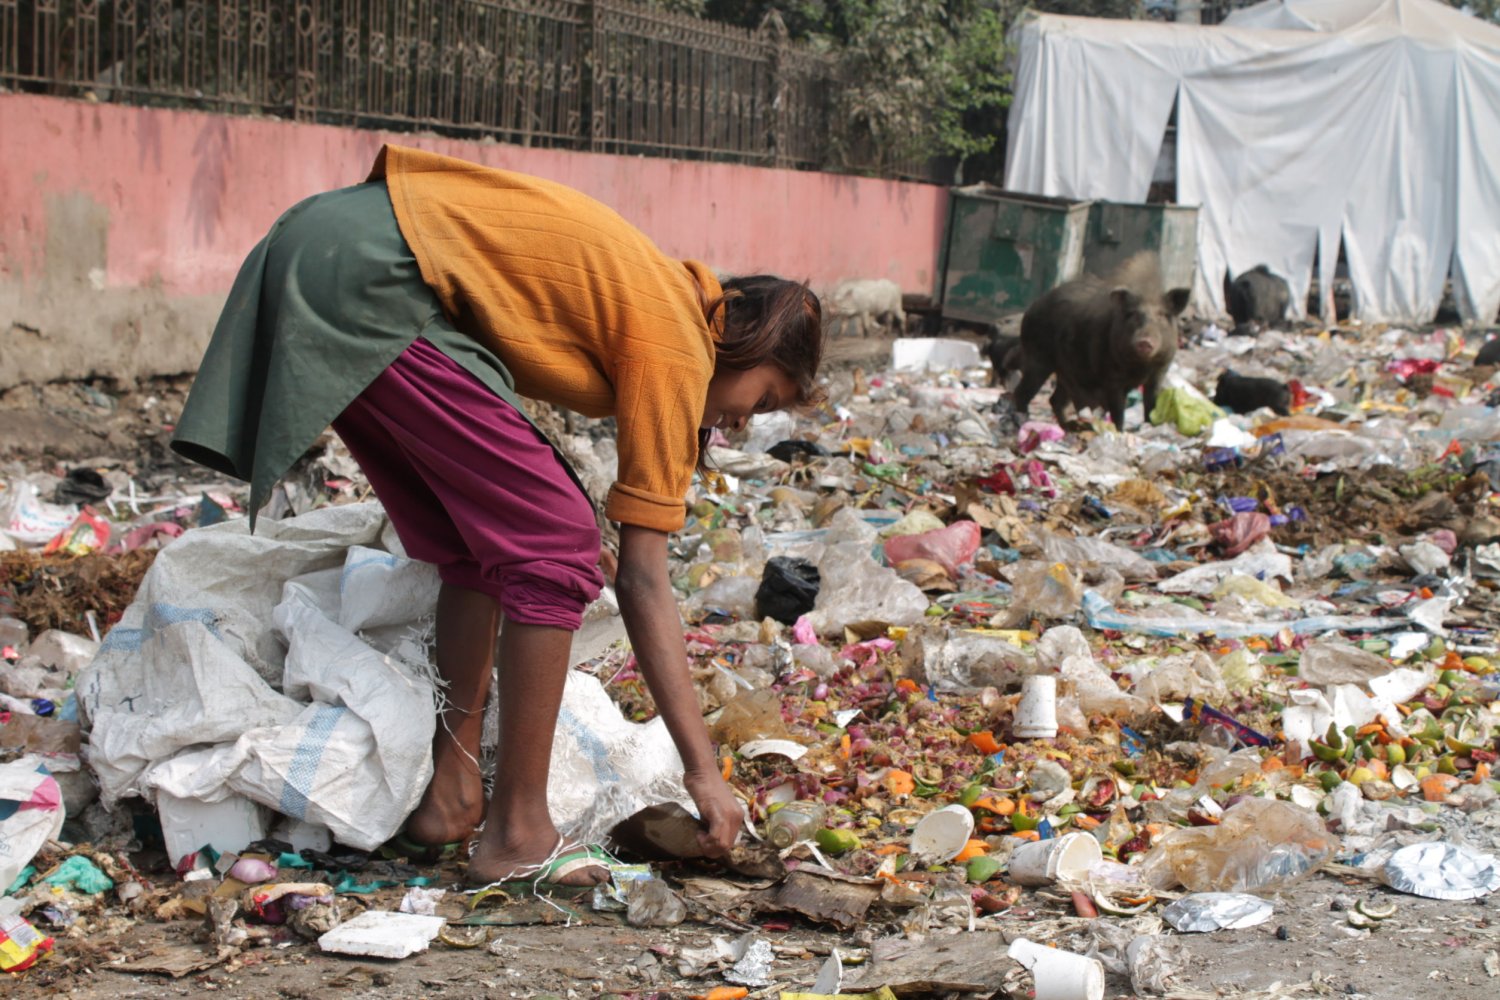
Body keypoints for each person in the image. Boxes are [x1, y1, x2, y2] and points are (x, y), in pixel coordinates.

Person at [171, 144, 824, 890]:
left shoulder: (660, 303)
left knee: (484, 544)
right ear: (748, 343)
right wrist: (702, 773)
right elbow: (643, 581)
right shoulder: (678, 337)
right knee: (554, 540)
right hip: (371, 277)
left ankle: (453, 797)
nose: (743, 423)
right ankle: (519, 830)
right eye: (763, 401)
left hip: (338, 251)